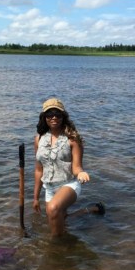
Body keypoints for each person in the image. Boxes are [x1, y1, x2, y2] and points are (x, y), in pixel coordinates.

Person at [33, 97, 103, 237]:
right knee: (59, 220)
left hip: (69, 184)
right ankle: (91, 210)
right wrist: (35, 198)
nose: (54, 117)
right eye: (49, 114)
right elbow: (39, 170)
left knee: (53, 210)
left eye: (57, 114)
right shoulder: (39, 139)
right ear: (44, 117)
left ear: (63, 116)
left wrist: (81, 173)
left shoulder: (72, 139)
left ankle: (56, 248)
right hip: (49, 187)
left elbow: (77, 167)